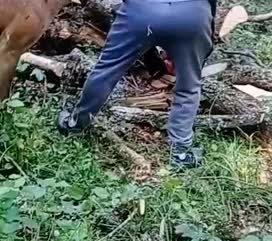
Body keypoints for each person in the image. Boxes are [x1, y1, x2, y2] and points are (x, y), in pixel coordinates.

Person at [57, 0, 217, 171]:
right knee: (189, 86)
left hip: (142, 10)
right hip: (192, 14)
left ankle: (75, 124)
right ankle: (181, 153)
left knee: (106, 70)